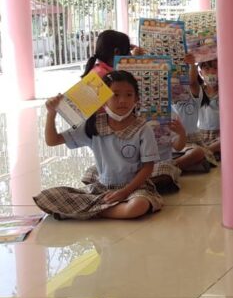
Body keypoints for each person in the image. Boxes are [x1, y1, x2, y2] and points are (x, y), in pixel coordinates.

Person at [34, 70, 163, 220]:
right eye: (115, 95)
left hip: (134, 188)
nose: (123, 100)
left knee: (137, 206)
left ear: (136, 99)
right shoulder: (94, 125)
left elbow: (148, 167)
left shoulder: (143, 129)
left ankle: (91, 210)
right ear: (103, 99)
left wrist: (125, 192)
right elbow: (52, 141)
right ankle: (102, 208)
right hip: (102, 188)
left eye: (129, 95)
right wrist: (51, 114)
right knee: (48, 196)